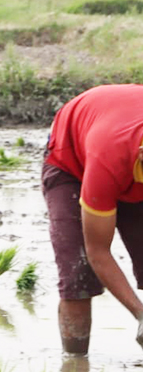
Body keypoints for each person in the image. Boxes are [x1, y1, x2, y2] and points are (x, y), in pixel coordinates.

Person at [42, 84, 143, 354]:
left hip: (118, 133)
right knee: (78, 275)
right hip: (72, 162)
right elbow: (97, 251)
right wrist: (141, 315)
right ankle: (75, 367)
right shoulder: (107, 161)